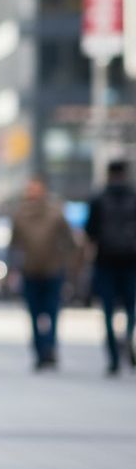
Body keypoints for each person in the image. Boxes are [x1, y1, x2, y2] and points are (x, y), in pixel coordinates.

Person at [10, 176, 77, 371]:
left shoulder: (55, 212)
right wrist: (14, 268)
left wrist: (65, 261)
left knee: (51, 311)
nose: (33, 193)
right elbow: (14, 245)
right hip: (30, 271)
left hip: (52, 270)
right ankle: (41, 350)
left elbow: (69, 241)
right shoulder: (21, 214)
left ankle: (49, 348)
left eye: (35, 189)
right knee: (34, 312)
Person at [84, 160, 136, 376]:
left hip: (105, 261)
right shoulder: (133, 197)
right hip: (131, 261)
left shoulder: (98, 199)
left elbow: (90, 231)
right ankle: (127, 336)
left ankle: (113, 356)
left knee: (107, 310)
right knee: (131, 307)